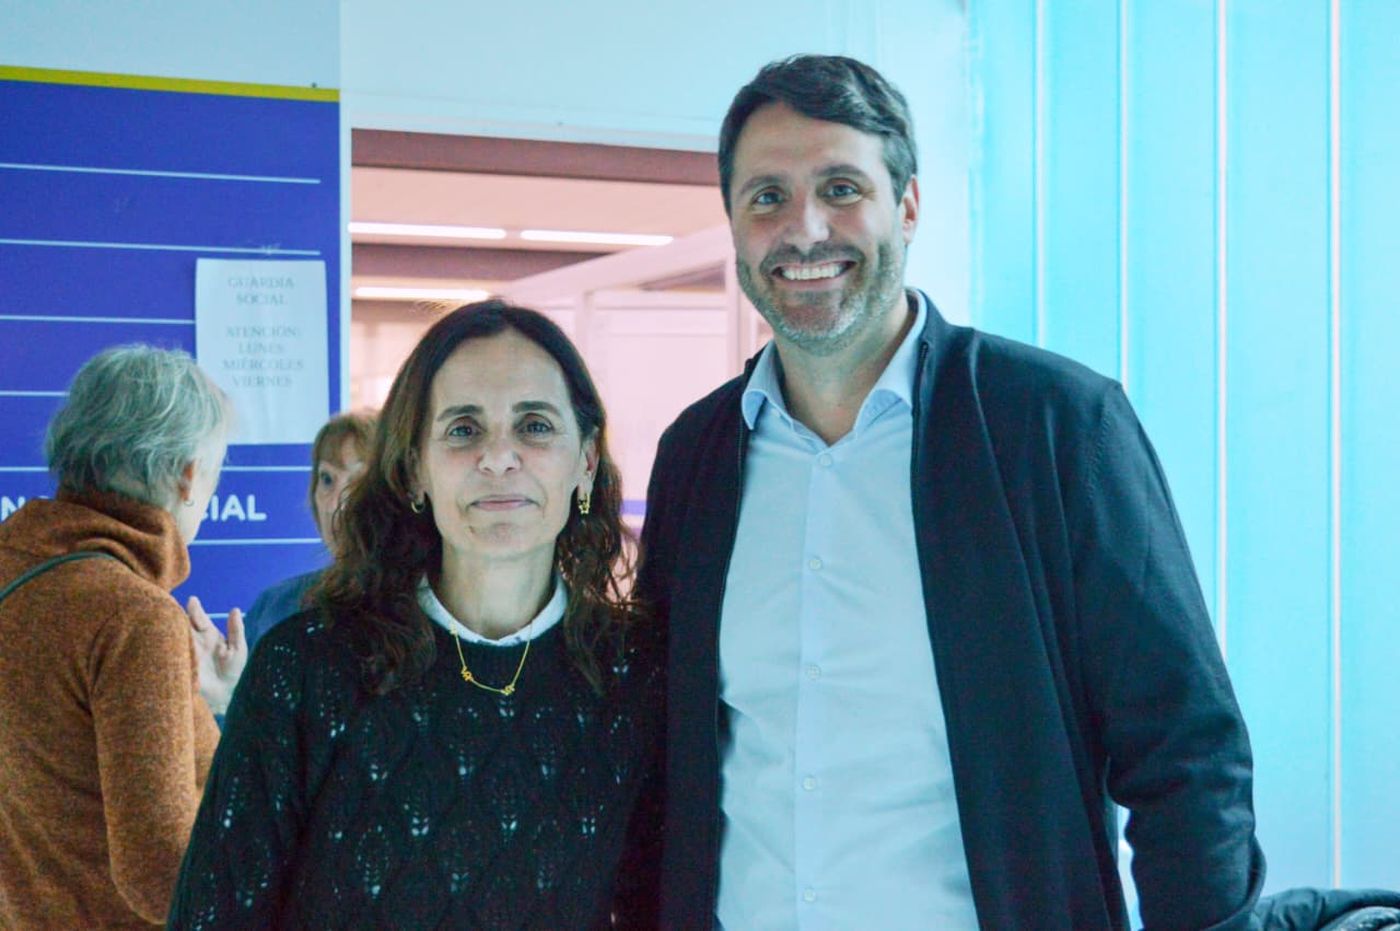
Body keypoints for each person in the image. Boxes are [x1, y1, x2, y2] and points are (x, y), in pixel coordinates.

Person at [637, 54, 1266, 930]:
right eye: (767, 197)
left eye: (842, 186)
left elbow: (1186, 753)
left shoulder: (1057, 427)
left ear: (909, 205)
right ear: (735, 226)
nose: (804, 228)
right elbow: (662, 762)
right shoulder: (695, 457)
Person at [169, 301, 662, 929]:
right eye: (463, 429)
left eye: (535, 425)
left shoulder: (636, 674)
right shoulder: (305, 667)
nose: (499, 457)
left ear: (586, 460)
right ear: (413, 470)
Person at [0, 344, 244, 928]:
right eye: (214, 471)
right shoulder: (131, 616)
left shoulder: (16, 567)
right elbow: (163, 873)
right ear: (188, 475)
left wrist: (214, 704)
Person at [241, 409, 376, 651]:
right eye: (327, 479)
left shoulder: (431, 607)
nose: (337, 504)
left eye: (357, 482)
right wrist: (225, 687)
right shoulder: (274, 608)